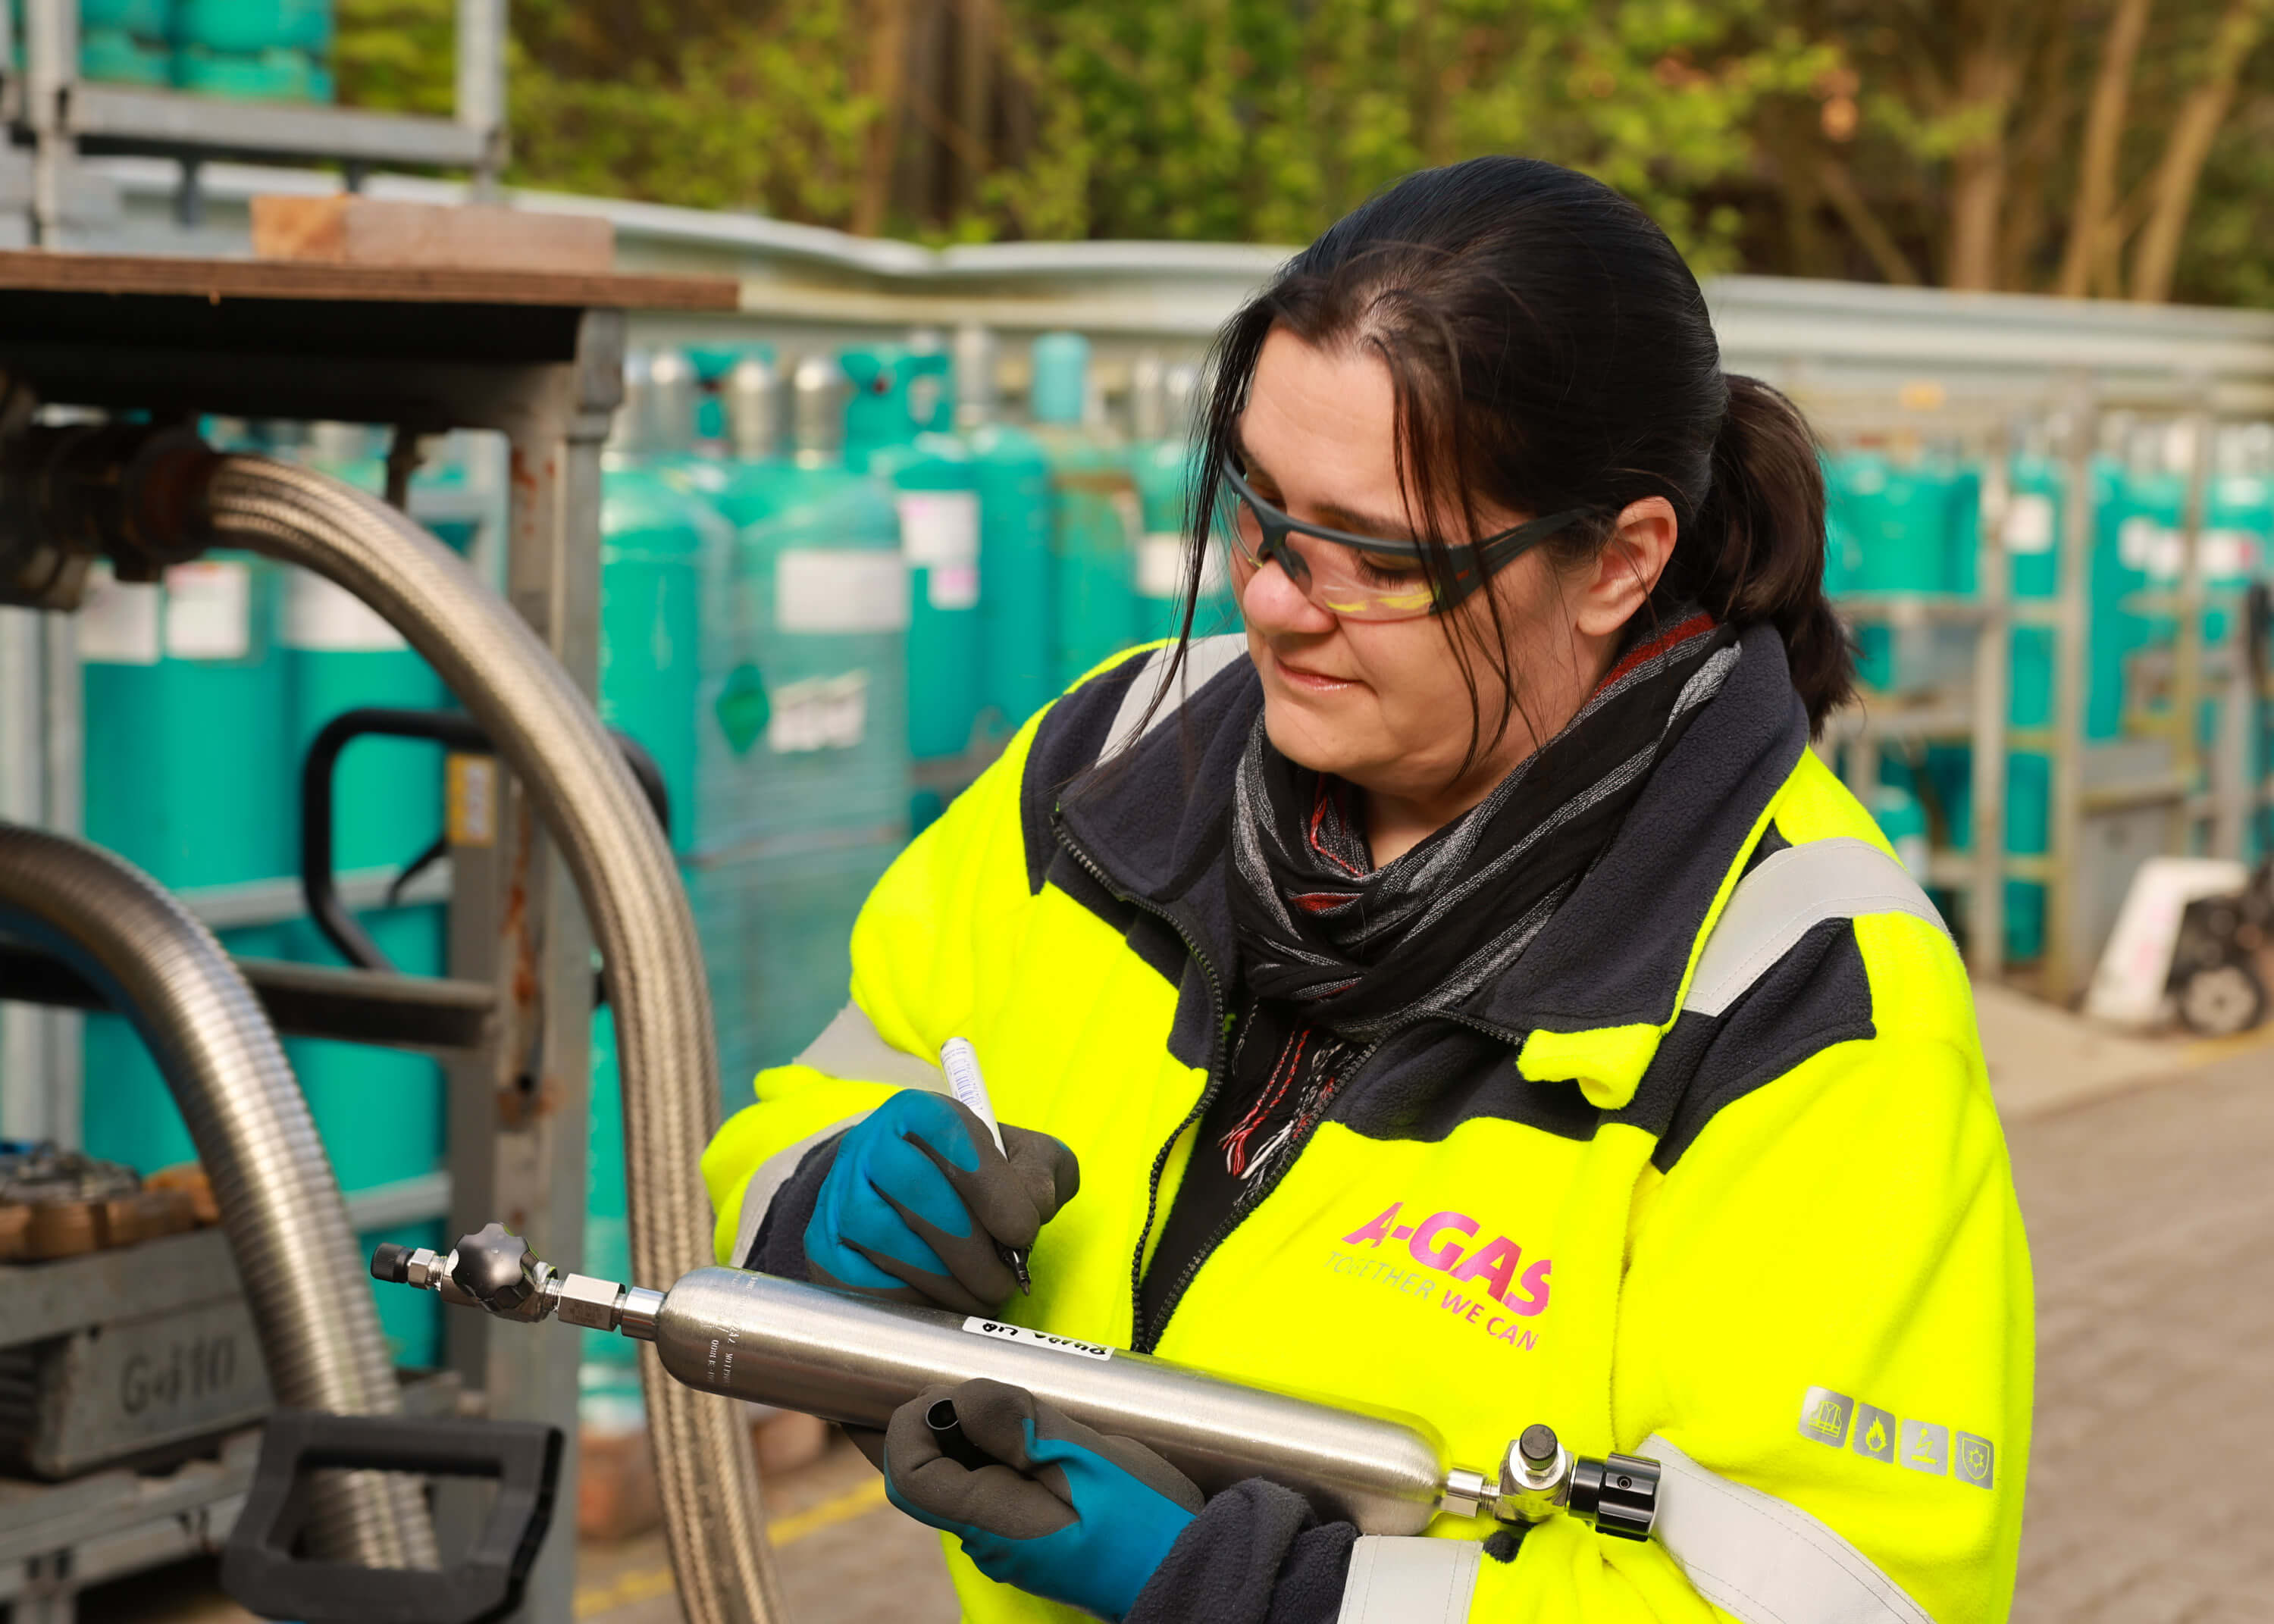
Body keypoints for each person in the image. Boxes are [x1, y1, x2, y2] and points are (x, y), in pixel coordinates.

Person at [702, 155, 2032, 1624]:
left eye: (1379, 556)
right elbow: (818, 1101)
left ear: (1616, 561)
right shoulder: (1111, 762)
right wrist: (821, 1212)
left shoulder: (1803, 996)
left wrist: (1261, 1594)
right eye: (1262, 509)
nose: (1275, 596)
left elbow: (1842, 1597)